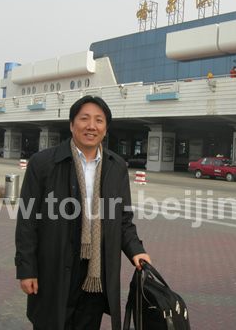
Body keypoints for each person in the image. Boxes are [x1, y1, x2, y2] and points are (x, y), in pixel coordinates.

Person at [15, 95, 151, 330]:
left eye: (99, 120)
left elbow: (123, 220)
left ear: (105, 128)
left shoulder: (116, 167)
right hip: (55, 269)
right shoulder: (43, 163)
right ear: (71, 124)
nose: (91, 126)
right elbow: (27, 222)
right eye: (84, 118)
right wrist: (27, 269)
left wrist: (136, 251)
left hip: (96, 274)